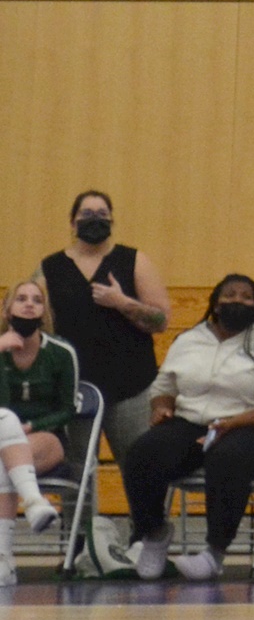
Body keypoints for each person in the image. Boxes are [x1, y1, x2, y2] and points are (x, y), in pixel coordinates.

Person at [118, 275, 254, 582]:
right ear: (216, 304)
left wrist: (233, 424)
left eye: (246, 297)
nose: (238, 301)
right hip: (192, 423)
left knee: (226, 457)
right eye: (230, 295)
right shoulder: (188, 340)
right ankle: (154, 534)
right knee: (142, 453)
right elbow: (163, 388)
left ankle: (214, 553)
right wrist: (161, 408)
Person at [38, 190, 170, 456]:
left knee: (139, 466)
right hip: (75, 388)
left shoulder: (134, 260)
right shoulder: (50, 267)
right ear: (72, 222)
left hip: (131, 387)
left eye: (102, 214)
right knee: (78, 472)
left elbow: (161, 321)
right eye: (87, 214)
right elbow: (33, 319)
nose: (94, 219)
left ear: (112, 221)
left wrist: (122, 302)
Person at [0, 278, 76, 583]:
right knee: (5, 420)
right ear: (7, 310)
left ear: (44, 312)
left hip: (46, 438)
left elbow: (68, 409)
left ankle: (3, 558)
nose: (29, 304)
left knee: (5, 460)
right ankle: (33, 502)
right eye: (21, 299)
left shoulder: (60, 352)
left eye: (37, 300)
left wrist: (32, 426)